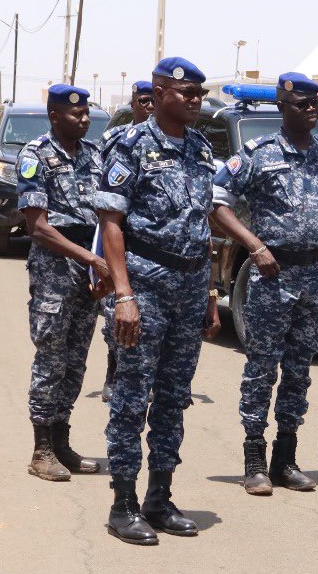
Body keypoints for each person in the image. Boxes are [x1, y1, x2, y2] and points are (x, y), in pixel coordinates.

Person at [210, 72, 318, 496]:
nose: (311, 109)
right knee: (261, 368)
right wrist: (253, 245)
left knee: (299, 371)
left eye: (316, 103)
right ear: (282, 106)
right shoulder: (257, 154)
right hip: (271, 276)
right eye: (301, 104)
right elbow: (218, 201)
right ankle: (254, 459)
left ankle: (286, 458)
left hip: (314, 276)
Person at [93, 56, 222, 546]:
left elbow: (202, 224)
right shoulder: (129, 144)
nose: (195, 101)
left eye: (199, 95)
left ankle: (159, 497)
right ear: (161, 91)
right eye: (187, 93)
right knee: (131, 396)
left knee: (174, 396)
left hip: (189, 287)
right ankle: (122, 503)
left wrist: (211, 292)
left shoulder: (200, 149)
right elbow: (110, 224)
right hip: (143, 285)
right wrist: (123, 293)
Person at [19, 83, 110, 482]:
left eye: (87, 113)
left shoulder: (94, 156)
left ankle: (61, 442)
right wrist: (88, 257)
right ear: (55, 116)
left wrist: (99, 264)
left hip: (88, 272)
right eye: (76, 114)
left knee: (75, 362)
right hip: (56, 269)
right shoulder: (35, 155)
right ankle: (40, 450)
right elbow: (37, 226)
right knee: (50, 359)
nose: (84, 119)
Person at [96, 79, 154, 403]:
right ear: (133, 102)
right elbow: (102, 185)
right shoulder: (114, 138)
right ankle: (112, 371)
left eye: (152, 101)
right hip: (119, 232)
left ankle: (146, 378)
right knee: (114, 310)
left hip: (150, 239)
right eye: (143, 100)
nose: (148, 106)